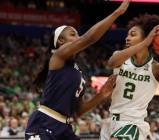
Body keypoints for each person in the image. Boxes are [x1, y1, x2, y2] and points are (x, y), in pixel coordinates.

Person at [25, 0, 130, 140]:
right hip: (44, 122)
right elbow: (89, 38)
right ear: (61, 41)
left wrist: (102, 94)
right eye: (73, 34)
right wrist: (117, 13)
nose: (78, 37)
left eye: (78, 35)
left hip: (64, 128)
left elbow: (78, 111)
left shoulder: (77, 72)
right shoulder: (58, 56)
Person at [100, 14, 159, 140]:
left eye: (133, 34)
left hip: (133, 124)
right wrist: (145, 43)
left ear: (148, 38)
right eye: (127, 34)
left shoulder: (158, 69)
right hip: (111, 121)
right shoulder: (120, 56)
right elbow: (112, 62)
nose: (127, 38)